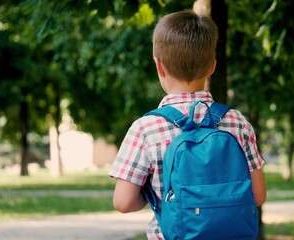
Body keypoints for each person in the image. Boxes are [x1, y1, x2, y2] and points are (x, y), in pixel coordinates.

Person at [108, 9, 266, 240]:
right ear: (212, 66)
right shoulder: (237, 122)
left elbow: (123, 202)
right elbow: (258, 195)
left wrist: (157, 194)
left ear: (159, 66)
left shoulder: (145, 128)